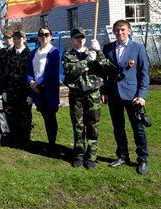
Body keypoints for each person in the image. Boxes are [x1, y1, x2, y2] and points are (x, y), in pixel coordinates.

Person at [102, 20, 150, 175]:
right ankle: (122, 156)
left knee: (138, 128)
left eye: (122, 30)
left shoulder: (137, 48)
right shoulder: (108, 49)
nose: (119, 33)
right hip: (114, 94)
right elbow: (103, 73)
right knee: (118, 127)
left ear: (129, 31)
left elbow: (144, 74)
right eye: (116, 30)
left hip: (133, 96)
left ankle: (142, 159)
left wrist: (142, 95)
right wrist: (103, 91)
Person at [63, 27, 110, 169]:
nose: (80, 40)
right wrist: (86, 61)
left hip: (92, 94)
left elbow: (107, 68)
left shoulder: (94, 52)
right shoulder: (68, 55)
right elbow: (70, 71)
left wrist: (99, 52)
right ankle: (78, 155)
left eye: (82, 37)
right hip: (76, 95)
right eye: (76, 37)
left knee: (93, 125)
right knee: (78, 126)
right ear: (72, 39)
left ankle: (92, 157)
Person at [27, 27, 60, 155]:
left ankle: (52, 145)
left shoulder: (54, 51)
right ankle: (49, 143)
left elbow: (52, 70)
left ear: (50, 36)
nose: (44, 36)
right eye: (41, 34)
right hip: (37, 89)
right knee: (45, 117)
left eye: (46, 34)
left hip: (48, 90)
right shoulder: (34, 52)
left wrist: (38, 81)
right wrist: (31, 82)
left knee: (51, 118)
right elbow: (29, 69)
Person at [1, 30, 32, 148]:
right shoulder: (10, 53)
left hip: (23, 91)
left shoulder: (28, 54)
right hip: (11, 90)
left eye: (19, 38)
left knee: (24, 116)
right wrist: (4, 89)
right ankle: (14, 137)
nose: (16, 40)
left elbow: (31, 74)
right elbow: (6, 72)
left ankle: (25, 139)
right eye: (15, 38)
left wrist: (30, 94)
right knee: (12, 115)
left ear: (24, 39)